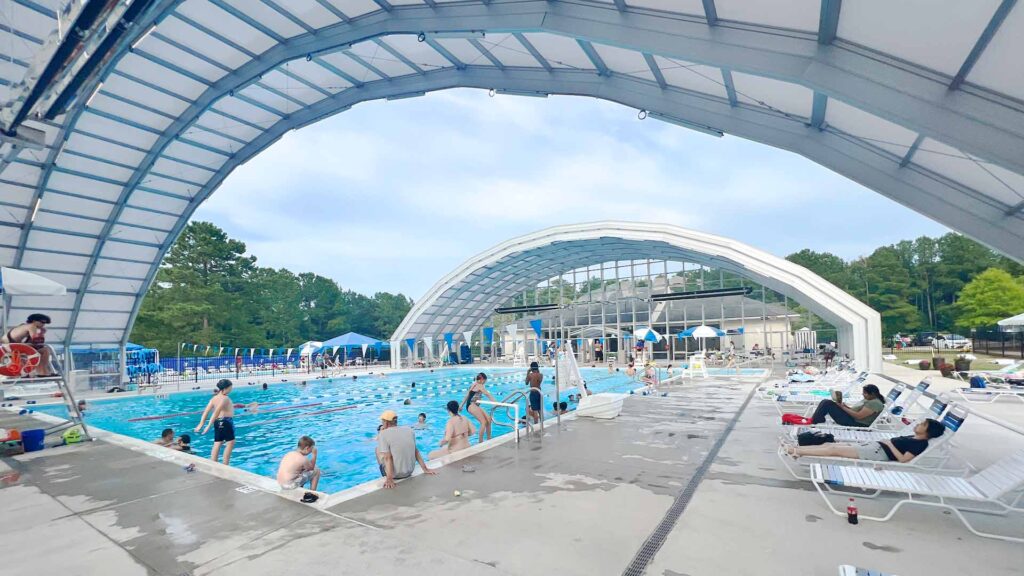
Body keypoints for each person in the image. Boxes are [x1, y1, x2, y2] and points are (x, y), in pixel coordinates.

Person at [786, 419, 945, 462]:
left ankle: (794, 450)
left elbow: (904, 460)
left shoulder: (920, 444)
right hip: (874, 447)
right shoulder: (914, 437)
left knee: (833, 450)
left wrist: (889, 443)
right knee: (830, 444)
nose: (918, 424)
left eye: (923, 424)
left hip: (876, 453)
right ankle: (797, 451)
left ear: (928, 432)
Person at [376, 410, 435, 489]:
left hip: (396, 475)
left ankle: (386, 475)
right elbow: (416, 451)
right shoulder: (409, 430)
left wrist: (389, 479)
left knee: (377, 450)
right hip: (410, 471)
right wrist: (425, 469)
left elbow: (387, 458)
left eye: (382, 421)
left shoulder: (382, 434)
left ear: (386, 422)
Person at [196, 379, 236, 464]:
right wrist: (208, 426)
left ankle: (213, 464)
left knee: (217, 442)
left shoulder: (214, 398)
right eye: (230, 387)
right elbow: (216, 412)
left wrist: (201, 423)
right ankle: (225, 465)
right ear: (225, 388)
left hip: (218, 422)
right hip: (226, 421)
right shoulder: (225, 398)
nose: (231, 389)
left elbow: (206, 411)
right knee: (230, 443)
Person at [809, 384, 886, 427]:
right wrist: (845, 406)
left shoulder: (874, 403)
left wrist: (842, 407)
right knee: (827, 402)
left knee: (826, 403)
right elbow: (856, 410)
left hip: (856, 422)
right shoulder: (869, 399)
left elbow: (858, 416)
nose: (863, 394)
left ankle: (816, 420)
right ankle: (817, 419)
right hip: (851, 418)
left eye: (865, 393)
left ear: (872, 394)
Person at [461, 372, 495, 442]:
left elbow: (466, 397)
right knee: (483, 422)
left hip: (472, 405)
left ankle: (489, 438)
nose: (484, 383)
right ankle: (480, 442)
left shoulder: (473, 385)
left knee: (488, 419)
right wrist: (495, 402)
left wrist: (461, 405)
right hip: (471, 404)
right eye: (484, 381)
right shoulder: (480, 385)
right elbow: (487, 394)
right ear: (482, 380)